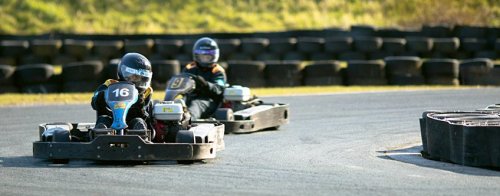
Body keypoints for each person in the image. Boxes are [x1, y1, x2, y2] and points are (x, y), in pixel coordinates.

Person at [91, 52, 154, 131]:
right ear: (124, 72)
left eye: (139, 77)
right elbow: (94, 103)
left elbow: (146, 116)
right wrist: (101, 96)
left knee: (138, 121)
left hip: (133, 123)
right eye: (133, 76)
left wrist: (140, 104)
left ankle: (140, 133)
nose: (136, 80)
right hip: (110, 119)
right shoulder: (110, 85)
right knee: (103, 119)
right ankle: (102, 133)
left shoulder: (146, 92)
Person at [182, 37, 227, 120]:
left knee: (196, 104)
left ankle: (188, 121)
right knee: (178, 104)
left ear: (214, 56)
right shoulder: (190, 68)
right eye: (203, 56)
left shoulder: (217, 71)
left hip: (209, 101)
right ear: (197, 56)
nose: (205, 59)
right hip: (189, 98)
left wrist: (205, 84)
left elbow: (219, 89)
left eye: (208, 57)